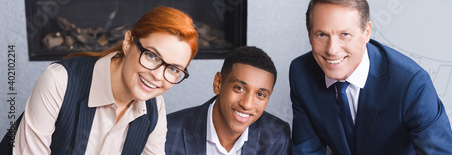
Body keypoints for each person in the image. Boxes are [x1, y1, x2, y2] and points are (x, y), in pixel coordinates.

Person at [10, 6, 198, 154]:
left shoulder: (155, 107)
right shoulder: (60, 80)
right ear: (128, 42)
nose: (157, 75)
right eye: (152, 56)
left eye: (173, 69)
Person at [289, 0, 452, 154]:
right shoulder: (301, 72)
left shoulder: (411, 83)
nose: (332, 50)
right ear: (310, 35)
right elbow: (306, 150)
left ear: (366, 32)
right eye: (322, 35)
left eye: (345, 34)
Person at [165, 46, 290, 155]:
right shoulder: (168, 131)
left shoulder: (276, 136)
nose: (247, 104)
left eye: (261, 95)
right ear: (218, 83)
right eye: (239, 88)